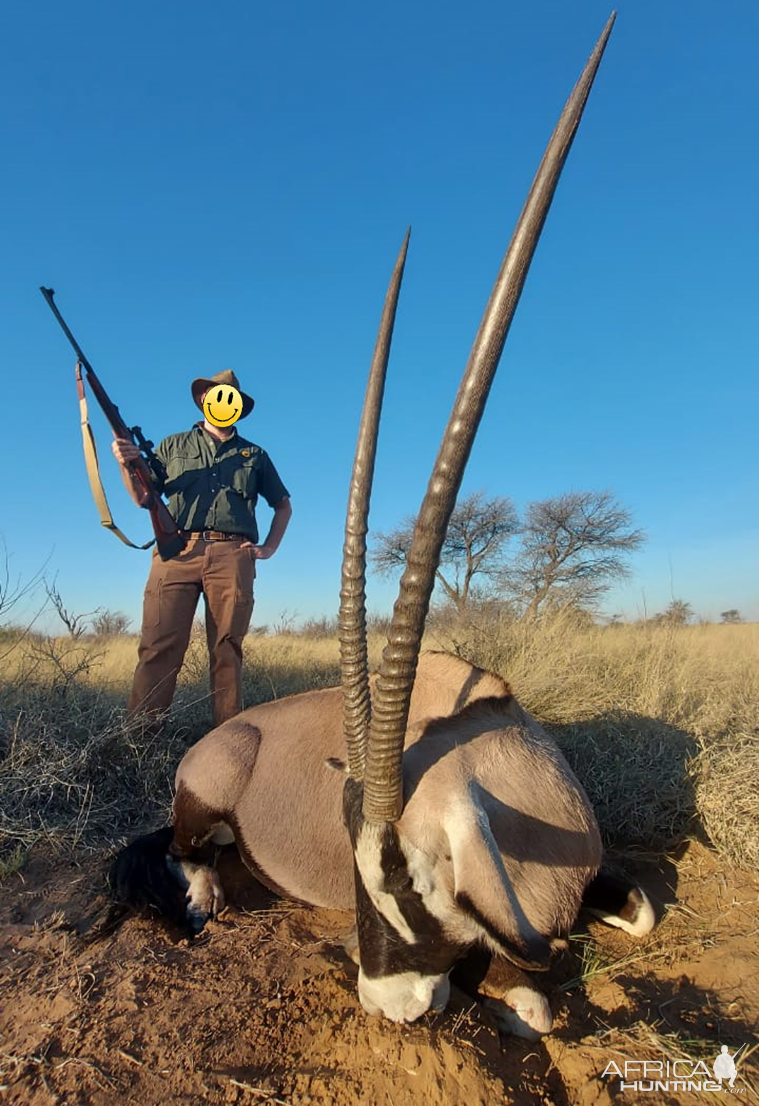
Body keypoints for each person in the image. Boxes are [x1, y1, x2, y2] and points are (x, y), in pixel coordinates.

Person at [111, 368, 291, 729]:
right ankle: (141, 741)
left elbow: (283, 504)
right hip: (176, 551)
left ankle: (227, 742)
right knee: (159, 647)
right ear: (204, 401)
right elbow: (144, 497)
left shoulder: (254, 454)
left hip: (232, 555)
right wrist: (125, 465)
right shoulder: (173, 445)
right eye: (216, 396)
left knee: (227, 650)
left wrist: (269, 547)